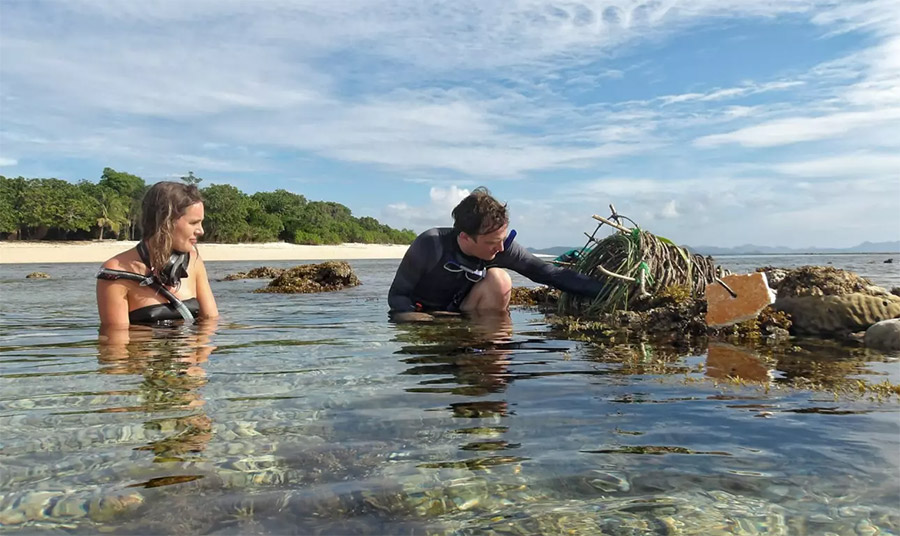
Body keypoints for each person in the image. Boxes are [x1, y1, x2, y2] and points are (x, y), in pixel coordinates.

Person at [388, 187, 603, 320]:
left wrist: (606, 291)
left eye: (504, 239)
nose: (501, 249)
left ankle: (487, 346)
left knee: (499, 279)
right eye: (492, 242)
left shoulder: (502, 246)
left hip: (467, 313)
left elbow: (549, 273)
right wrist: (420, 318)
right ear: (465, 237)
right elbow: (397, 296)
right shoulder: (430, 245)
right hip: (426, 317)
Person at [96, 181, 218, 326]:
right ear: (165, 221)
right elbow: (116, 342)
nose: (201, 231)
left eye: (201, 223)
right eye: (193, 223)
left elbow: (211, 323)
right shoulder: (115, 272)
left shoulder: (194, 261)